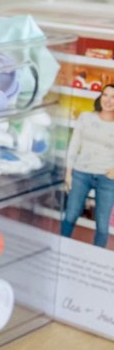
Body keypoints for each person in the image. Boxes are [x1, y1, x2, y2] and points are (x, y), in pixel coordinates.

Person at [61, 83, 114, 248]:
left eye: (113, 97)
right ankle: (59, 248)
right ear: (100, 96)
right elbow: (74, 145)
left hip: (107, 178)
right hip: (81, 174)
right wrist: (68, 172)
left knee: (103, 225)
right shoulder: (86, 117)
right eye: (105, 95)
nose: (108, 100)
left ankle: (97, 259)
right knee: (70, 215)